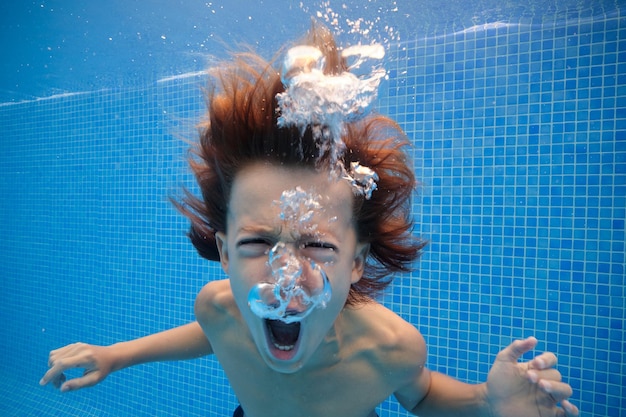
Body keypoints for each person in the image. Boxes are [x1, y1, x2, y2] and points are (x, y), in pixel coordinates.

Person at [40, 23, 579, 417]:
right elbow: (212, 330)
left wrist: (488, 401)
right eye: (256, 242)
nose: (284, 279)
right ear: (224, 252)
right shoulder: (218, 307)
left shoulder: (390, 348)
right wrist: (115, 355)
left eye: (318, 246)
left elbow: (423, 395)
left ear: (356, 263)